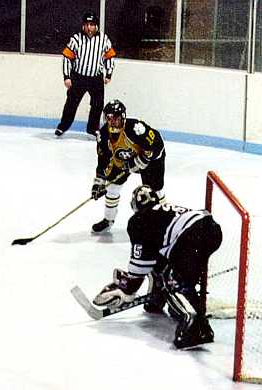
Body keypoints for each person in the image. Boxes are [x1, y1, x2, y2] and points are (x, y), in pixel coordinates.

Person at [93, 185, 223, 349]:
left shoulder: (139, 220)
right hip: (211, 229)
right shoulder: (162, 212)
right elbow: (156, 262)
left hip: (191, 235)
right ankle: (163, 300)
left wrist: (126, 289)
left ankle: (194, 325)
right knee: (170, 271)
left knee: (175, 283)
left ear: (135, 205)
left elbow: (139, 268)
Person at [91, 99, 166, 233]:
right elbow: (102, 161)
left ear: (123, 117)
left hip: (151, 161)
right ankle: (108, 220)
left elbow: (157, 145)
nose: (112, 121)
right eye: (109, 118)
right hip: (123, 162)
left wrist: (139, 161)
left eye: (116, 118)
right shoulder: (103, 135)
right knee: (112, 188)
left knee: (156, 192)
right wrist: (98, 183)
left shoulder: (136, 128)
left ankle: (163, 222)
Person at [55, 11, 116, 138]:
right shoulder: (76, 39)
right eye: (87, 24)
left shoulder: (104, 39)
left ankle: (92, 128)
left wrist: (109, 73)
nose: (89, 27)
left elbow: (109, 57)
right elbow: (67, 57)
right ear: (83, 25)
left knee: (97, 104)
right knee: (71, 103)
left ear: (96, 26)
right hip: (78, 77)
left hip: (96, 78)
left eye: (92, 24)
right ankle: (63, 126)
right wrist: (67, 76)